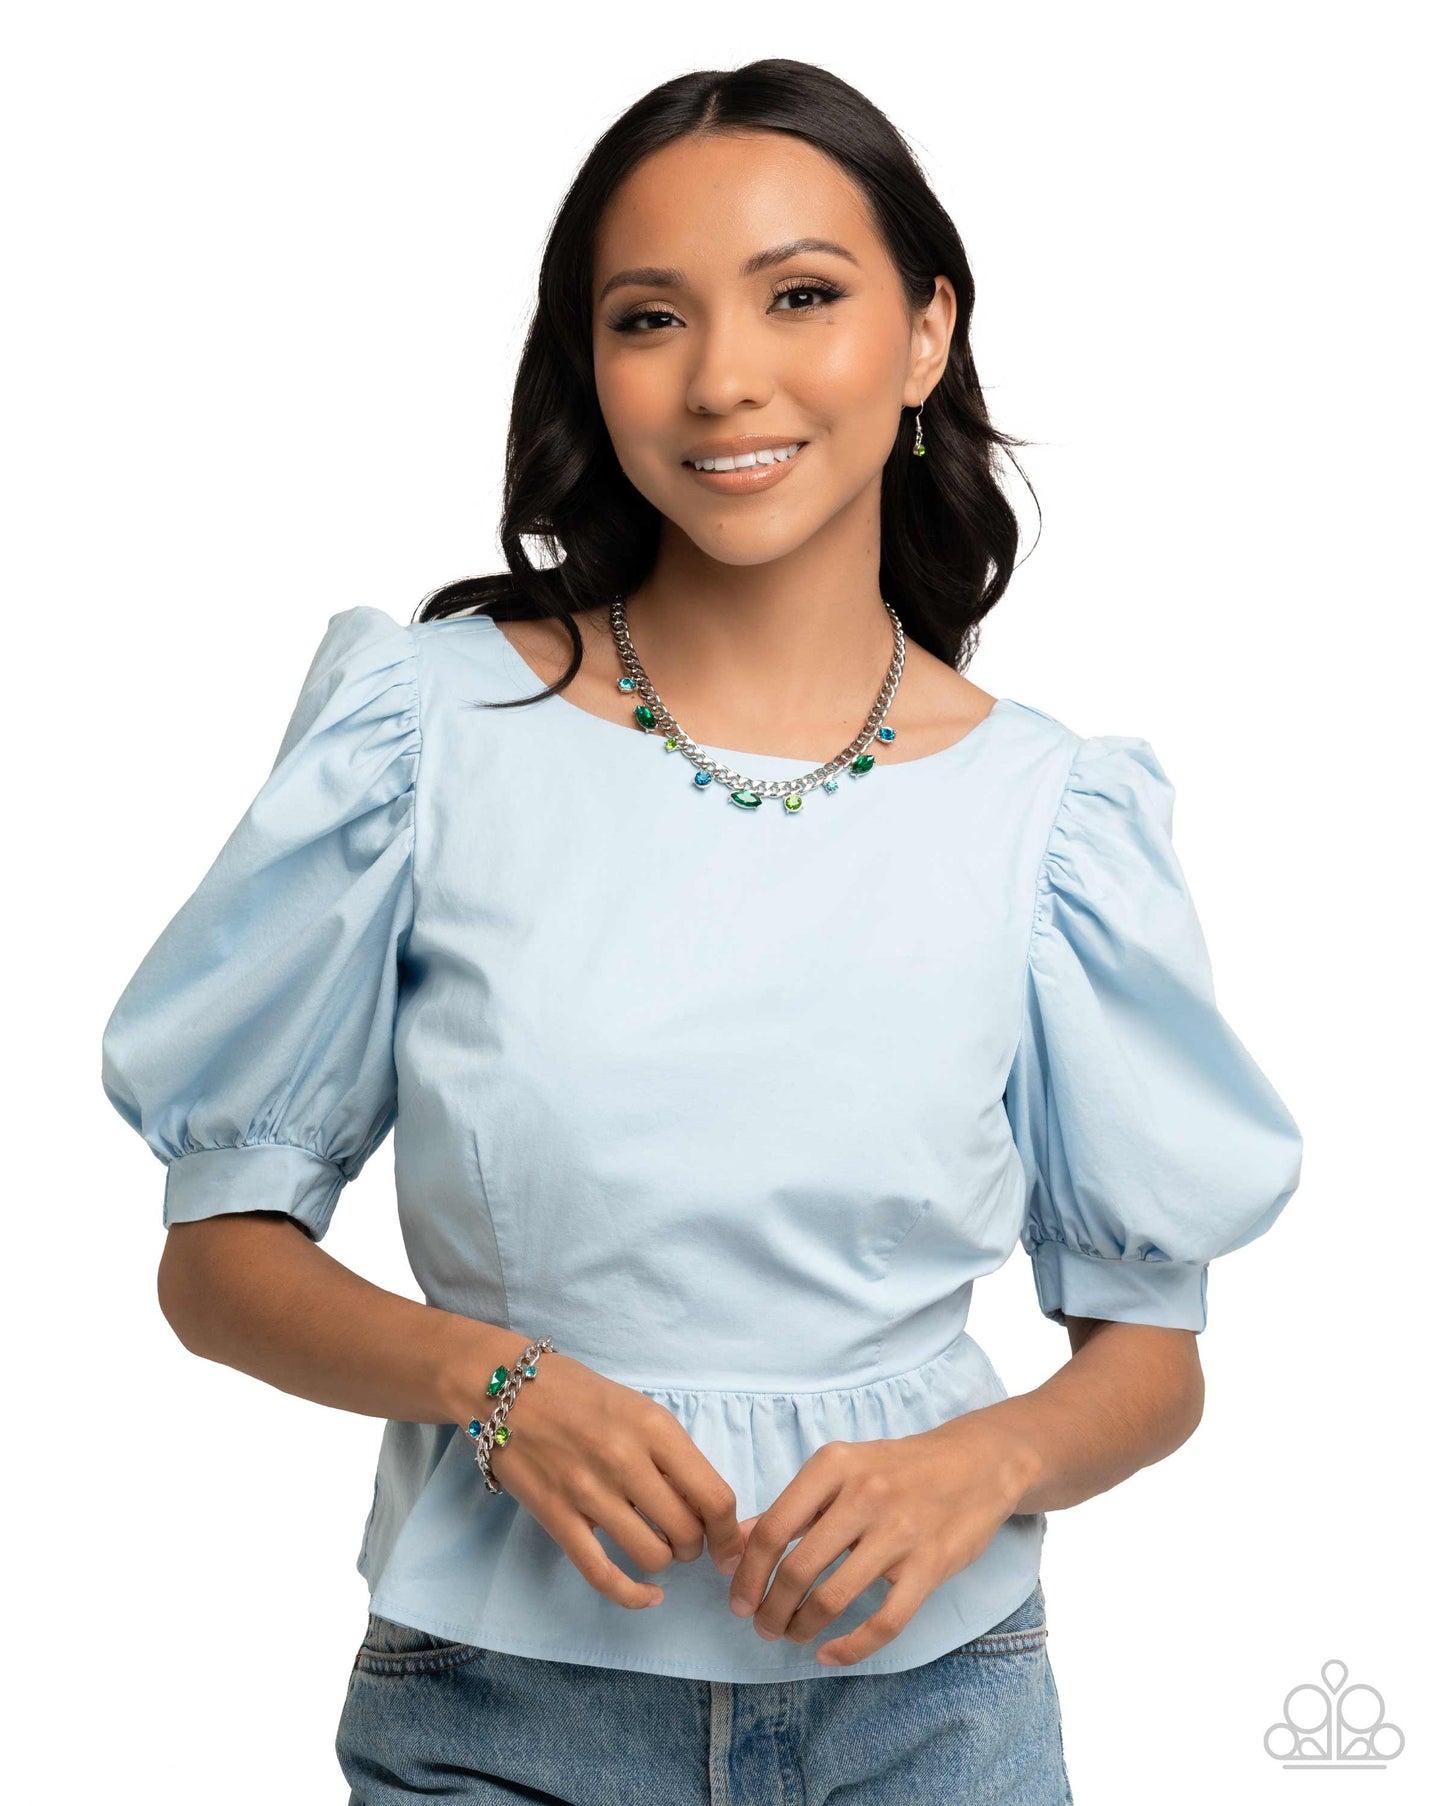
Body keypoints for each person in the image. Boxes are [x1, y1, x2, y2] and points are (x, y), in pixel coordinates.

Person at [99, 57, 1304, 1806]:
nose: (724, 376)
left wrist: (983, 1461)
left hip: (933, 1711)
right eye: (650, 316)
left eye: (801, 295)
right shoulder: (422, 735)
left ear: (925, 333)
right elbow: (215, 1260)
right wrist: (490, 1379)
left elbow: (1150, 1351)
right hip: (500, 1707)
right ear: (588, 365)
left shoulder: (1053, 816)